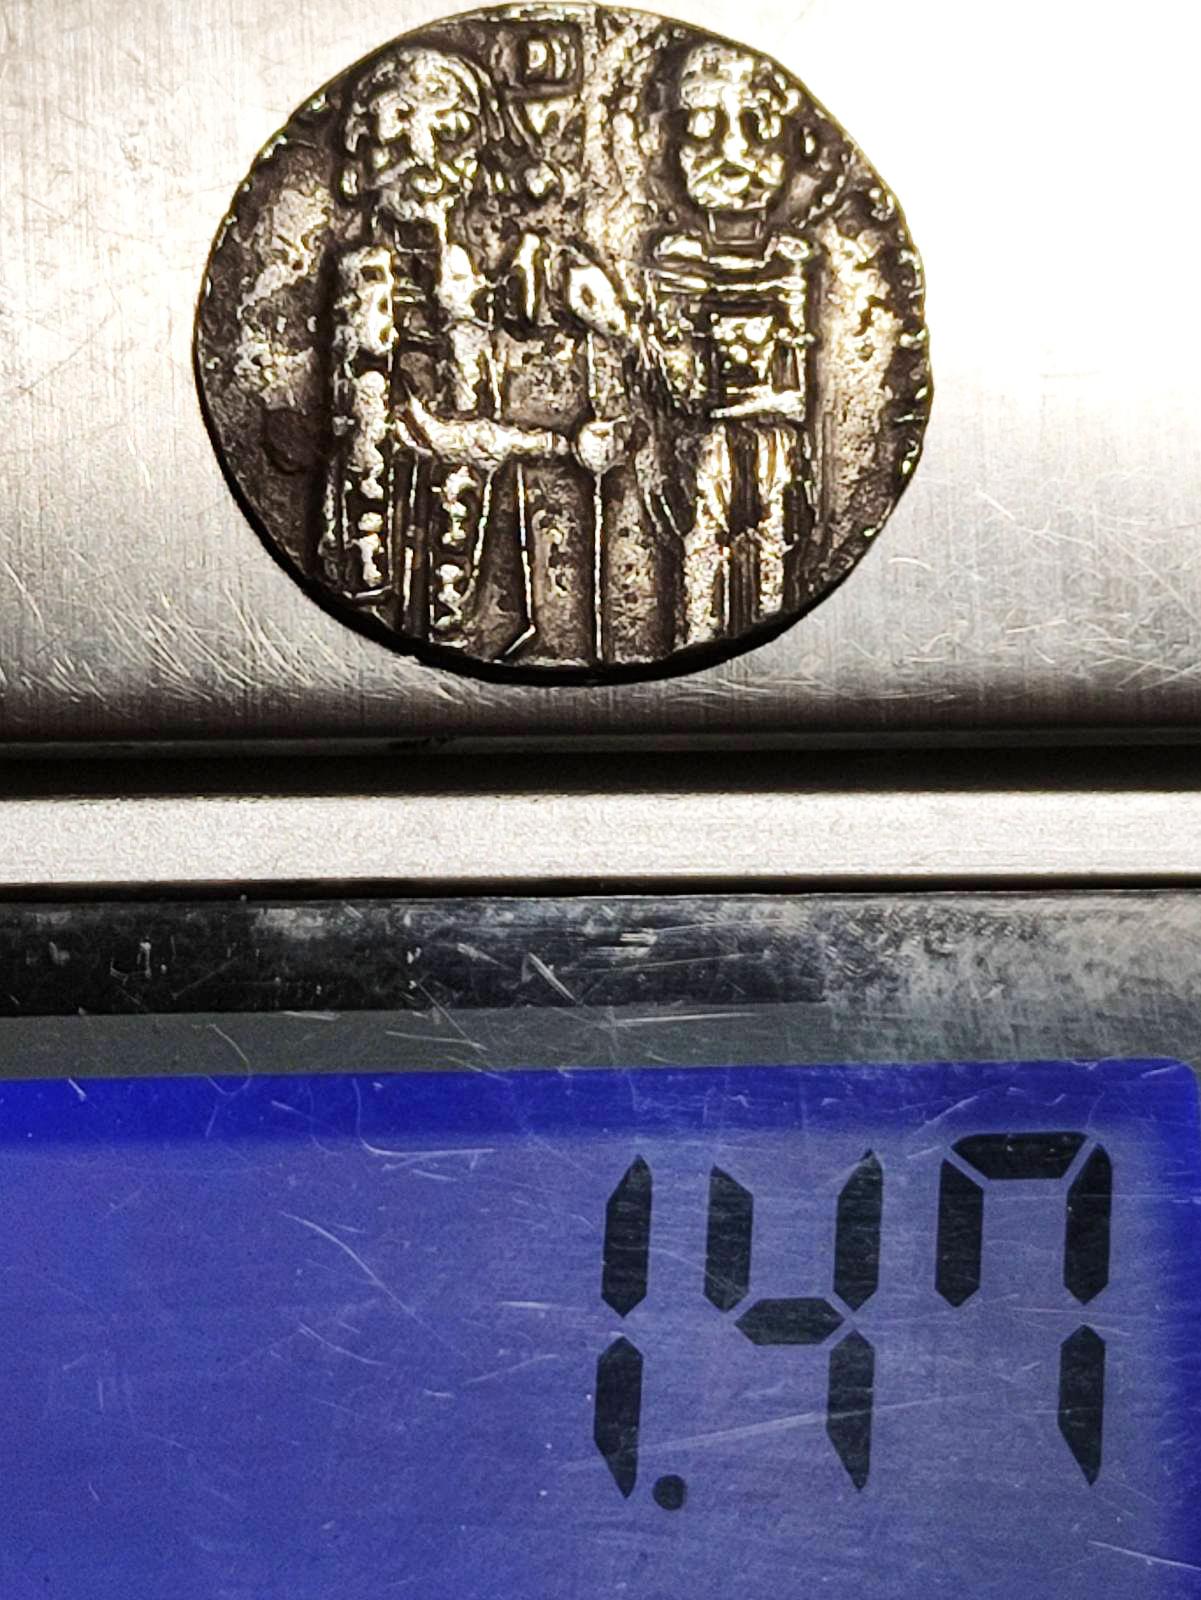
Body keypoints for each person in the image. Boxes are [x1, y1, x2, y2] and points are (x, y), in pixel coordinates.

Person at [320, 45, 580, 656]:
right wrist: (554, 445)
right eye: (397, 135)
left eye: (450, 135)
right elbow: (404, 429)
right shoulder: (365, 276)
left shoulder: (464, 272)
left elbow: (470, 400)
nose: (425, 160)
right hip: (380, 546)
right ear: (358, 162)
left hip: (462, 541)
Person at [646, 41, 816, 650]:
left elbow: (798, 390)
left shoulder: (791, 262)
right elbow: (674, 381)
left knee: (772, 544)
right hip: (707, 443)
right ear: (669, 145)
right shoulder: (675, 262)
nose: (734, 153)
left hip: (769, 440)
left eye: (758, 127)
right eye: (702, 127)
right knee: (701, 538)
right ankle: (696, 635)